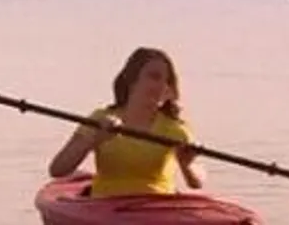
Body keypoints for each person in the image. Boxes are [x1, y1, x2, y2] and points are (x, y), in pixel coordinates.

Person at [47, 47, 205, 198]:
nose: (162, 85)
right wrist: (95, 140)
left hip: (156, 203)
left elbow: (196, 183)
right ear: (132, 80)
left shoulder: (175, 128)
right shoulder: (101, 119)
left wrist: (186, 165)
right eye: (154, 77)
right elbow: (57, 170)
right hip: (107, 203)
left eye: (167, 80)